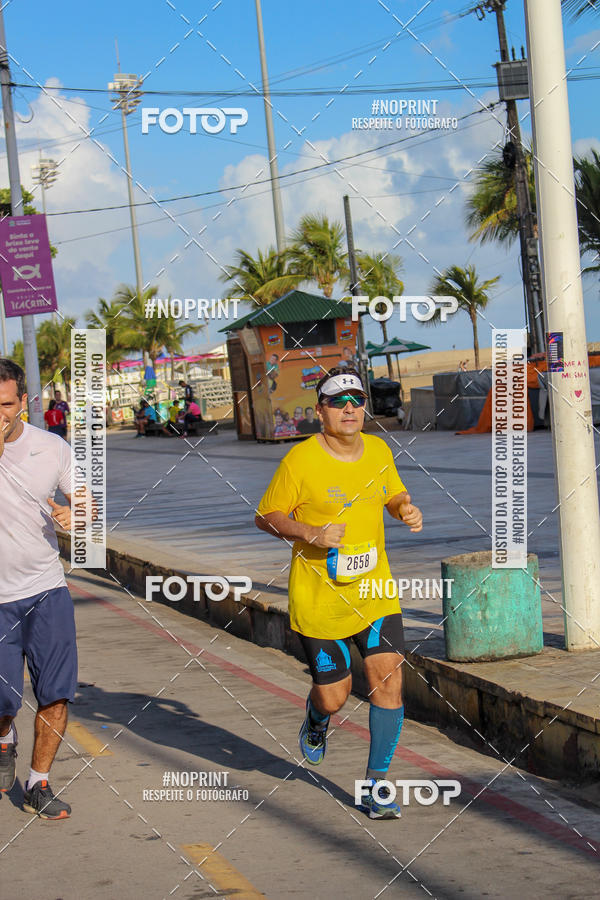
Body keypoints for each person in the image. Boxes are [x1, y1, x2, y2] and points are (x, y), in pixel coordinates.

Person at [255, 366, 423, 819]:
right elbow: (266, 515)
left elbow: (392, 493)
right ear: (320, 411)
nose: (349, 409)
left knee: (388, 680)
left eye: (357, 400)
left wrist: (404, 509)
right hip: (320, 599)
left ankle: (376, 786)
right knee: (335, 695)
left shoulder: (379, 449)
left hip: (375, 592)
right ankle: (317, 717)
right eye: (338, 401)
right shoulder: (300, 461)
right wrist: (310, 532)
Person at [0, 359, 76, 819]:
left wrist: (76, 515)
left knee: (56, 694)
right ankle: (4, 734)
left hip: (47, 589)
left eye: (6, 405)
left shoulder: (51, 447)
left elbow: (85, 502)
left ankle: (38, 783)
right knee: (3, 701)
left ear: (24, 402)